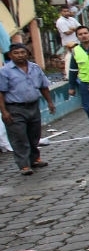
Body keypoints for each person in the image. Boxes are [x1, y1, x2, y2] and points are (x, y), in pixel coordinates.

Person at [0, 43, 55, 175]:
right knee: (19, 136)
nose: (20, 55)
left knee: (34, 135)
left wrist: (49, 102)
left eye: (22, 52)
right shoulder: (5, 71)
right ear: (10, 55)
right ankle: (24, 165)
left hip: (33, 106)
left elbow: (43, 86)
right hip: (14, 108)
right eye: (16, 53)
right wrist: (4, 112)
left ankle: (35, 159)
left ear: (27, 54)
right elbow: (0, 92)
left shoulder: (35, 68)